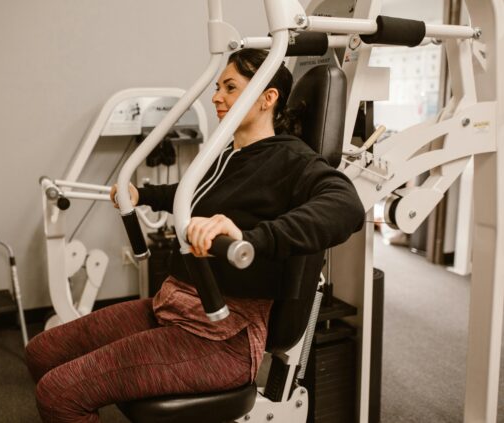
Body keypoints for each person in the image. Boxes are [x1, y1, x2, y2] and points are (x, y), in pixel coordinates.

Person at [25, 48, 365, 422]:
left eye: (230, 87)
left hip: (222, 338)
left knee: (59, 393)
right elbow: (193, 194)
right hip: (172, 308)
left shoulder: (291, 159)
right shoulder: (225, 155)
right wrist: (144, 196)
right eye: (218, 87)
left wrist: (250, 237)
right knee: (41, 352)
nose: (217, 96)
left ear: (268, 98)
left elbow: (346, 206)